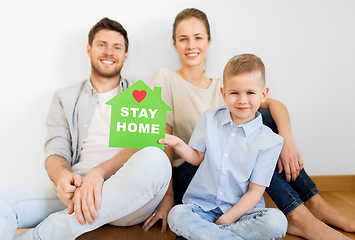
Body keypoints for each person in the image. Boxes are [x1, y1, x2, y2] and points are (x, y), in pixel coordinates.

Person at [146, 7, 355, 240]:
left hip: (232, 184)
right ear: (174, 44)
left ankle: (308, 204)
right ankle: (298, 215)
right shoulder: (165, 77)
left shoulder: (229, 85)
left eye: (198, 37)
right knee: (180, 214)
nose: (191, 45)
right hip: (193, 172)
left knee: (263, 123)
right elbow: (161, 137)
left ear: (208, 41)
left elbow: (277, 106)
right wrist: (167, 197)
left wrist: (286, 141)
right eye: (183, 39)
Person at [0, 17, 171, 240]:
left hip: (128, 191)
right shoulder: (65, 97)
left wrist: (99, 173)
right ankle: (72, 216)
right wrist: (62, 177)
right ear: (89, 49)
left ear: (125, 55)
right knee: (3, 198)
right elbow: (56, 149)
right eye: (102, 44)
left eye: (117, 47)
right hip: (77, 185)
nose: (109, 52)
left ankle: (44, 235)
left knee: (156, 159)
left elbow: (149, 145)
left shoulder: (143, 95)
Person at [161, 53, 287, 239]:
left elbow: (254, 193)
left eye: (250, 93)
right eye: (234, 93)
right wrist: (178, 143)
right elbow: (196, 158)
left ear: (263, 94)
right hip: (201, 209)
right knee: (177, 215)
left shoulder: (270, 141)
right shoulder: (209, 119)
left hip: (242, 214)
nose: (242, 100)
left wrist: (223, 222)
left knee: (277, 222)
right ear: (224, 94)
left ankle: (209, 235)